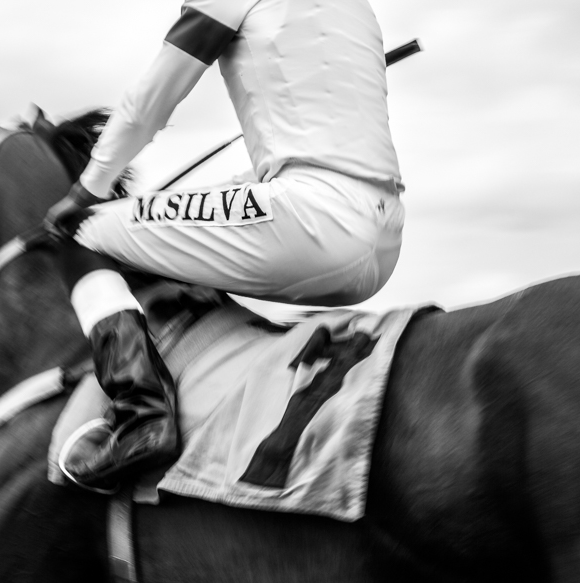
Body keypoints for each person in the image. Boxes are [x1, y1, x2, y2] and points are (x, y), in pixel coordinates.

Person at [46, 0, 406, 492]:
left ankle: (142, 413)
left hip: (311, 220)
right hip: (383, 233)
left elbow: (150, 100)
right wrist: (164, 211)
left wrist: (88, 190)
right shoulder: (358, 10)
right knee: (162, 233)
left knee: (84, 232)